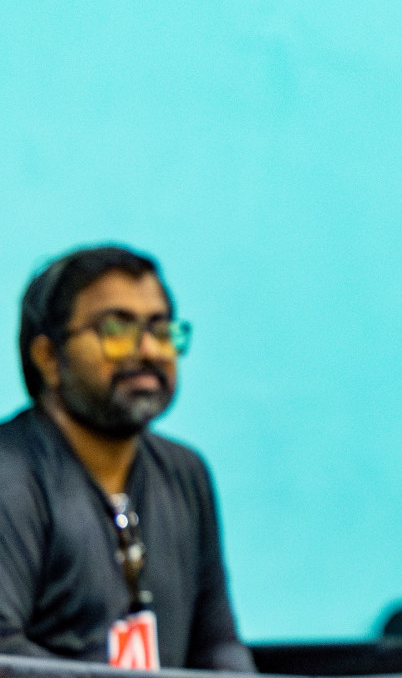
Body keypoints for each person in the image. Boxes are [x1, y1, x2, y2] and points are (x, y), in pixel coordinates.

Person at [0, 245, 253, 670]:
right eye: (117, 329)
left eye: (160, 329)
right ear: (48, 356)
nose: (150, 351)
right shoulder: (11, 477)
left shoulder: (185, 473)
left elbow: (216, 646)